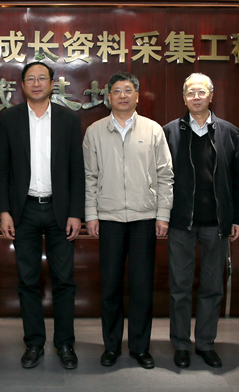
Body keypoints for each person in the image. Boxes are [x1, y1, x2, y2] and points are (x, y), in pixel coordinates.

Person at [0, 61, 85, 370]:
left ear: (51, 84)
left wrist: (76, 212)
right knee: (28, 280)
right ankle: (34, 343)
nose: (36, 83)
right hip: (25, 210)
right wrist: (4, 211)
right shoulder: (10, 119)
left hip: (61, 210)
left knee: (64, 280)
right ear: (22, 85)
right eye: (30, 79)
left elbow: (77, 170)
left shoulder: (68, 119)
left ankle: (65, 343)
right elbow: (1, 169)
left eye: (41, 78)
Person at [83, 72, 173, 369]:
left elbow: (165, 175)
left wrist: (163, 215)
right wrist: (91, 214)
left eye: (128, 90)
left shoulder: (153, 129)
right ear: (108, 97)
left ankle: (139, 347)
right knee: (110, 287)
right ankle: (111, 347)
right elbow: (89, 177)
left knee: (142, 287)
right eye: (117, 91)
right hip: (108, 218)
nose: (123, 95)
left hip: (144, 218)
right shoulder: (95, 131)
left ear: (137, 95)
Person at [163, 73, 239, 369]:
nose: (196, 97)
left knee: (213, 286)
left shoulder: (230, 133)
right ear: (183, 98)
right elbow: (160, 178)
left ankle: (206, 343)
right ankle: (181, 344)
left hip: (217, 223)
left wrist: (238, 218)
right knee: (180, 287)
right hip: (180, 222)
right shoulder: (169, 132)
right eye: (190, 92)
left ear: (211, 96)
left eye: (201, 92)